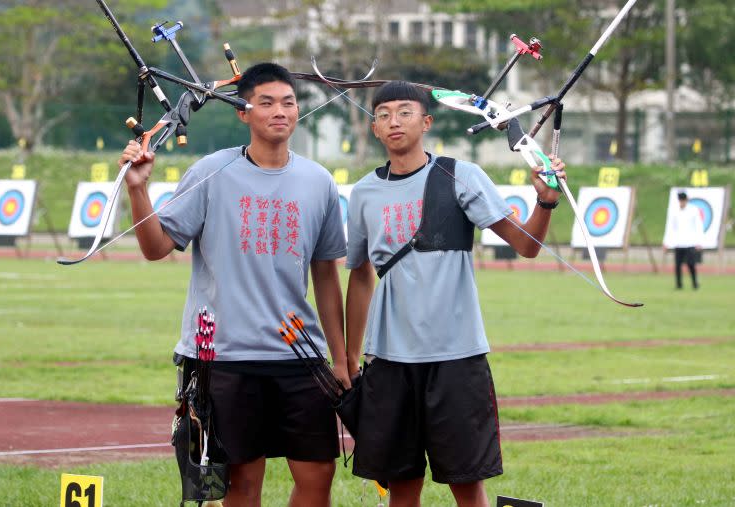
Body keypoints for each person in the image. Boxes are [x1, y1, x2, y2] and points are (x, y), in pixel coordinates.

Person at [118, 62, 349, 507]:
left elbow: (325, 273)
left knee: (319, 475)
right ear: (243, 113)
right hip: (224, 359)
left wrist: (340, 359)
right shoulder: (211, 171)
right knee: (242, 485)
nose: (279, 111)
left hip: (298, 354)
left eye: (288, 102)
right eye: (266, 103)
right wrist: (138, 190)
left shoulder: (319, 181)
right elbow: (155, 247)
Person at [344, 81, 567, 507]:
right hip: (389, 360)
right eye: (384, 113)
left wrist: (546, 202)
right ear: (374, 127)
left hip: (456, 357)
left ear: (426, 121)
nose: (394, 121)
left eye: (405, 112)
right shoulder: (364, 193)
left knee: (467, 485)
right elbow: (359, 277)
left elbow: (526, 246)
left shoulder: (459, 174)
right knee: (401, 486)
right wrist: (351, 357)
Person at [662, 191, 703, 289]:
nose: (682, 202)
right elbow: (670, 227)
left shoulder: (693, 210)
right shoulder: (674, 211)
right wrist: (666, 242)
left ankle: (694, 283)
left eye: (683, 200)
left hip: (690, 242)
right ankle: (679, 285)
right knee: (677, 265)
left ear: (686, 200)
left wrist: (699, 242)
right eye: (680, 200)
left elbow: (698, 226)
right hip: (678, 242)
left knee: (691, 264)